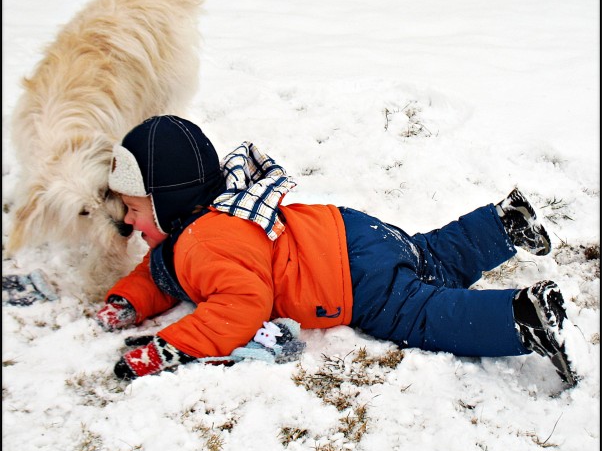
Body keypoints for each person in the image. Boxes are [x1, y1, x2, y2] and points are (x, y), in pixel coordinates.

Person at [95, 115, 578, 386]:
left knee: (422, 312)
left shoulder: (204, 242)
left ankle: (521, 318)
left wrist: (171, 347)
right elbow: (159, 274)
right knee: (428, 257)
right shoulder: (206, 223)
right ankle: (503, 225)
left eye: (135, 208)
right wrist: (129, 301)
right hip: (347, 233)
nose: (129, 221)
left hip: (352, 280)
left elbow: (242, 306)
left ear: (169, 204)